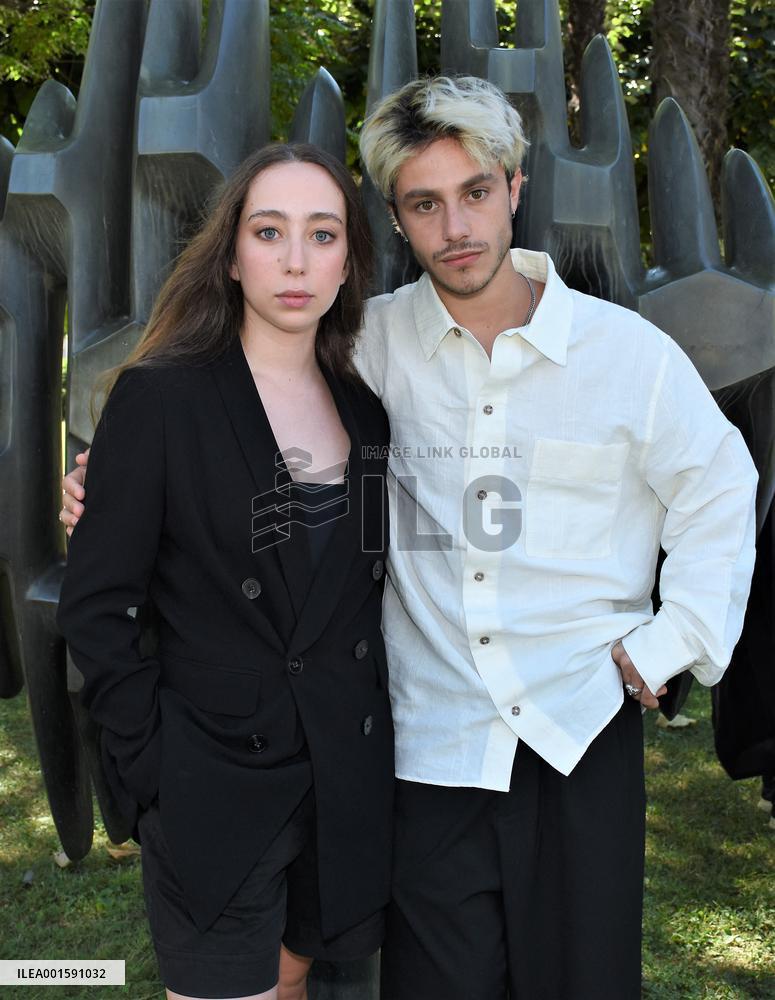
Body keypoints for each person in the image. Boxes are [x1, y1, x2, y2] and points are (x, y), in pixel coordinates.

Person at [62, 77, 758, 999]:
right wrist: (100, 489)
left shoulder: (625, 356)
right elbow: (237, 420)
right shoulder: (368, 345)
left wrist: (668, 644)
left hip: (577, 730)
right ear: (394, 219)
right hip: (424, 750)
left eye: (475, 192)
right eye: (424, 204)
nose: (456, 226)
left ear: (514, 187)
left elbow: (721, 489)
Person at [57, 143, 394, 1000]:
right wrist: (152, 773)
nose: (293, 260)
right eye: (268, 231)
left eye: (321, 235)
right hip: (209, 787)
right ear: (232, 255)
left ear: (347, 258)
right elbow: (98, 608)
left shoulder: (365, 410)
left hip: (340, 785)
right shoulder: (163, 398)